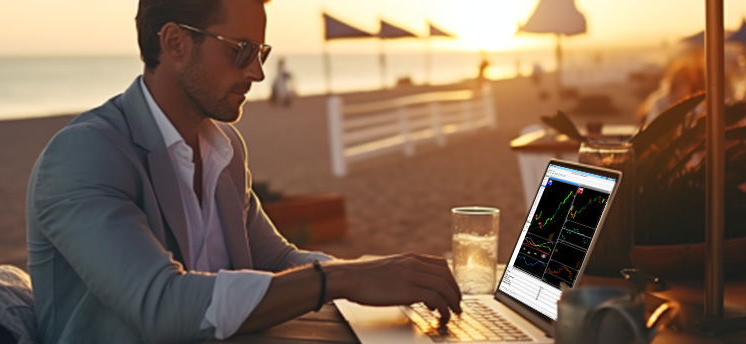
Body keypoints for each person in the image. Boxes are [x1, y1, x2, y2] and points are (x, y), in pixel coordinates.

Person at [25, 0, 462, 343]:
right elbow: (159, 307)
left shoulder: (224, 148)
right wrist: (344, 278)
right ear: (175, 43)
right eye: (241, 51)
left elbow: (277, 263)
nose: (256, 72)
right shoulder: (86, 154)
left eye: (262, 52)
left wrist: (383, 278)